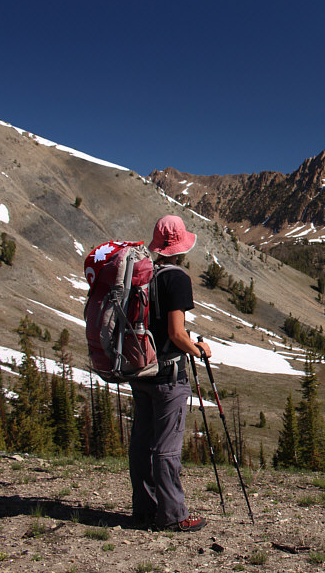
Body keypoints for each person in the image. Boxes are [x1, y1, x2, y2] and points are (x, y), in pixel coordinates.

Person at [129, 214, 212, 532]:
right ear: (180, 246)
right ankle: (174, 516)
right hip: (167, 374)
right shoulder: (176, 278)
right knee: (166, 447)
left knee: (141, 442)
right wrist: (199, 350)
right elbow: (177, 334)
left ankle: (144, 510)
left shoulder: (142, 275)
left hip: (141, 369)